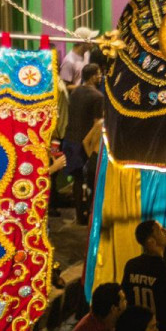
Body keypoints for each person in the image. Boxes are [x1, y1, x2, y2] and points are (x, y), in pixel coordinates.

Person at [62, 62, 105, 224]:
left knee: (77, 181)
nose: (100, 77)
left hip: (70, 139)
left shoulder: (75, 92)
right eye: (99, 74)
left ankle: (80, 216)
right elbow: (96, 125)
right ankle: (91, 215)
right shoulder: (97, 97)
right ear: (93, 76)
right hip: (84, 143)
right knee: (92, 181)